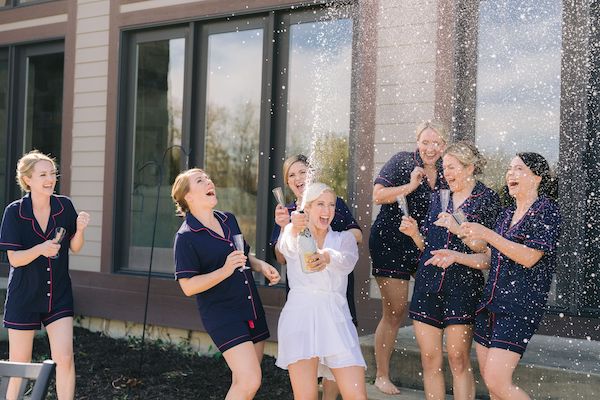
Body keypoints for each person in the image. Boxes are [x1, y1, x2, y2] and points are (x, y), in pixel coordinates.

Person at [400, 141, 501, 400]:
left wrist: (459, 228)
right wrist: (414, 235)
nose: (447, 173)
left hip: (463, 288)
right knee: (430, 359)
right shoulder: (438, 197)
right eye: (445, 168)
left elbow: (487, 256)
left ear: (470, 168)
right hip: (428, 284)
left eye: (453, 167)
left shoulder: (486, 199)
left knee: (458, 359)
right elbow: (428, 246)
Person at [171, 168, 280, 400]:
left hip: (250, 306)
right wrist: (224, 270)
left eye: (208, 178)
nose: (209, 181)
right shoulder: (186, 237)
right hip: (223, 315)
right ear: (188, 196)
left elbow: (242, 255)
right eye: (200, 180)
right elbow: (188, 286)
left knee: (245, 382)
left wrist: (260, 265)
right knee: (250, 380)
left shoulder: (227, 219)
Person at [458, 152, 560, 400]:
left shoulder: (546, 211)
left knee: (497, 380)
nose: (510, 174)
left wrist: (489, 235)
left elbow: (529, 257)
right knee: (493, 387)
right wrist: (455, 254)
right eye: (509, 169)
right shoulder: (506, 214)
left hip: (519, 306)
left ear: (536, 178)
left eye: (519, 169)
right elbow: (493, 259)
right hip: (490, 304)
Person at [0, 150, 90, 400]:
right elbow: (15, 259)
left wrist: (80, 230)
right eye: (43, 174)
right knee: (19, 364)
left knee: (65, 358)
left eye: (52, 173)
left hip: (57, 294)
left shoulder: (64, 206)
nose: (50, 178)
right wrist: (40, 249)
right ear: (28, 179)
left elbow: (74, 246)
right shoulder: (14, 212)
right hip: (24, 295)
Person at [270, 154, 362, 399]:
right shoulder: (292, 227)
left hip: (337, 318)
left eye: (331, 205)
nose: (328, 210)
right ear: (306, 208)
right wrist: (290, 227)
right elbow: (284, 249)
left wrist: (328, 255)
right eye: (320, 204)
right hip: (301, 316)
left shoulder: (342, 239)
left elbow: (349, 258)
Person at [369, 121, 448, 394]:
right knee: (395, 310)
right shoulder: (402, 162)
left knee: (436, 298)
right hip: (390, 241)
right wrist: (409, 186)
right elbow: (378, 195)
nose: (430, 148)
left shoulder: (447, 171)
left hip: (423, 242)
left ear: (444, 146)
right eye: (425, 142)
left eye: (436, 143)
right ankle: (381, 374)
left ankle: (434, 365)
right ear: (418, 142)